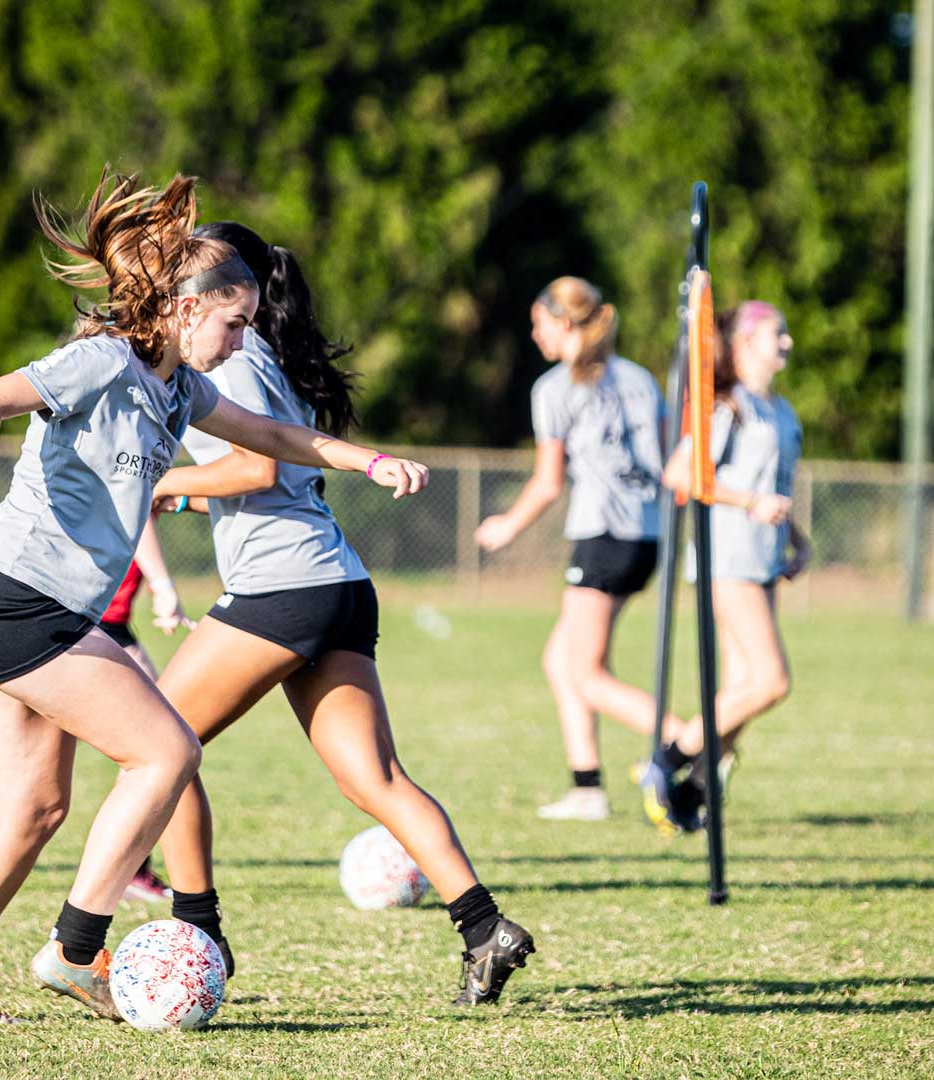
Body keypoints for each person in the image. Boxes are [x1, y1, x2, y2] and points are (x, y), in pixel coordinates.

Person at [0, 171, 427, 1025]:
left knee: (33, 808)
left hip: (39, 611)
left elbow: (273, 436)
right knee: (167, 752)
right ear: (186, 309)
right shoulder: (105, 360)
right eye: (235, 322)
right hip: (15, 599)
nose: (243, 337)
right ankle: (75, 951)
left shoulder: (179, 386)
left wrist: (367, 460)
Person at [148, 221, 534, 1007]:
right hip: (334, 580)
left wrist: (160, 485)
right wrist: (183, 496)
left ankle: (199, 930)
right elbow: (275, 476)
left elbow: (256, 469)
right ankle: (484, 926)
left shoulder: (234, 358)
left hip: (281, 585)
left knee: (154, 743)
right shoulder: (259, 353)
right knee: (375, 779)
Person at [475, 277, 682, 822]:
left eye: (539, 323)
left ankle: (688, 741)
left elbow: (548, 483)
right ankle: (587, 787)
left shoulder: (555, 388)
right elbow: (669, 460)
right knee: (559, 660)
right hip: (647, 536)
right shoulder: (640, 379)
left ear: (564, 323)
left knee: (586, 674)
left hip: (602, 538)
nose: (534, 334)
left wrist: (507, 526)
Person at [0, 518, 189, 903]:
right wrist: (163, 583)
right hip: (87, 613)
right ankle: (131, 866)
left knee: (28, 747)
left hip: (69, 605)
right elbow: (142, 513)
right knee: (157, 735)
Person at [642, 300, 808, 831]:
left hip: (763, 559)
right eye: (778, 333)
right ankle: (667, 758)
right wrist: (751, 504)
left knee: (742, 689)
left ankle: (692, 789)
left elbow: (773, 488)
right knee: (771, 682)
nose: (787, 342)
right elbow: (681, 475)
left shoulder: (781, 410)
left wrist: (796, 540)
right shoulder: (726, 407)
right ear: (745, 342)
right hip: (728, 559)